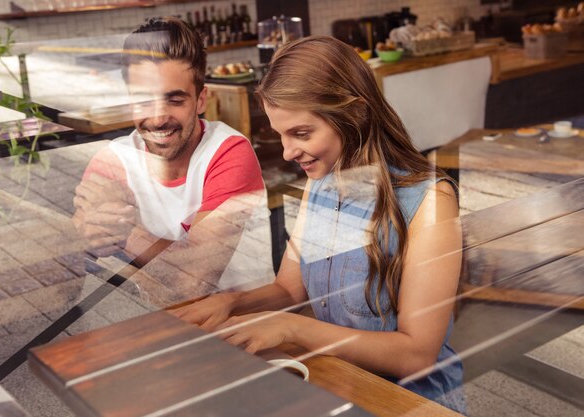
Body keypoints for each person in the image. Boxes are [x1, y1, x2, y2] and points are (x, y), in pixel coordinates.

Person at [172, 36, 466, 413]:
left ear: (355, 114)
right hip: (341, 385)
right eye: (281, 133)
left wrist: (292, 328)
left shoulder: (431, 200)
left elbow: (416, 354)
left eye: (301, 133)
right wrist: (231, 303)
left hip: (412, 403)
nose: (287, 152)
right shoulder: (320, 182)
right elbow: (290, 289)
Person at [72, 17, 265, 277]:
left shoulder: (228, 153)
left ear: (200, 100)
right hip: (150, 310)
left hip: (238, 313)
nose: (158, 118)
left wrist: (125, 231)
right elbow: (78, 250)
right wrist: (86, 235)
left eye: (175, 100)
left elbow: (194, 280)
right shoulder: (113, 160)